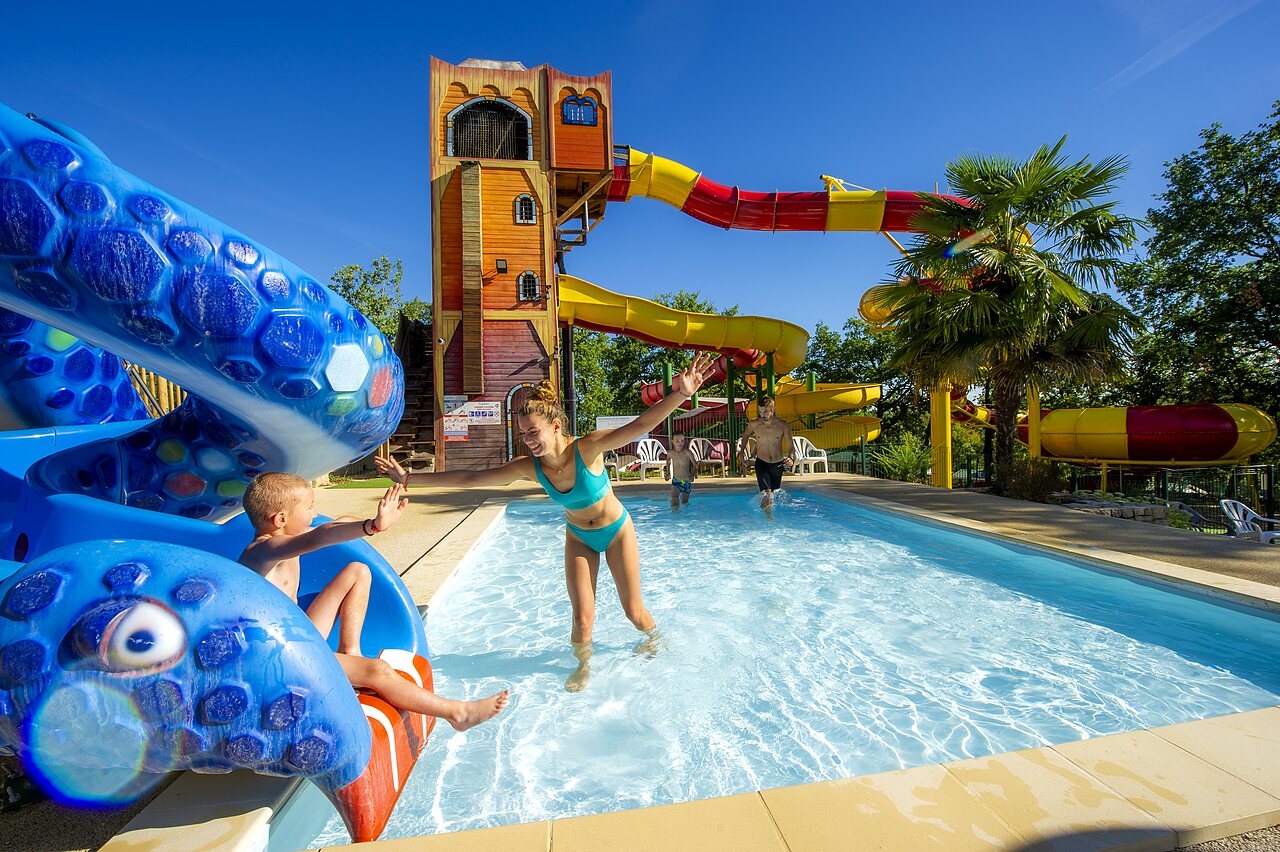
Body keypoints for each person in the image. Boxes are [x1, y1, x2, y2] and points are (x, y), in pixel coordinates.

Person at [376, 352, 718, 692]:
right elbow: (471, 477)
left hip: (616, 533)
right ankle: (583, 665)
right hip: (580, 537)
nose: (528, 440)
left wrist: (681, 393)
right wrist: (409, 479)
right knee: (582, 618)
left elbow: (639, 426)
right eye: (524, 434)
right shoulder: (531, 467)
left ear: (555, 427)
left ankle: (654, 638)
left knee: (633, 611)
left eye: (533, 432)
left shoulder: (587, 448)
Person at [238, 472, 508, 731]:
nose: (314, 513)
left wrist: (376, 522)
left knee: (358, 571)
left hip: (298, 634)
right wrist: (371, 527)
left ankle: (351, 651)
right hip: (281, 656)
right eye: (309, 507)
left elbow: (336, 524)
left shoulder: (286, 539)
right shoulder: (263, 550)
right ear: (281, 519)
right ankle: (457, 714)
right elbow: (322, 535)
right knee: (378, 671)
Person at [736, 396, 796, 516]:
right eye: (760, 411)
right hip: (762, 463)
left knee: (773, 495)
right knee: (767, 494)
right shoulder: (754, 424)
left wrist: (791, 458)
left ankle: (770, 516)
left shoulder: (783, 425)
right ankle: (768, 520)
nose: (762, 415)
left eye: (766, 411)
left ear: (773, 409)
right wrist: (741, 452)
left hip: (777, 465)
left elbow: (791, 447)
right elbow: (746, 435)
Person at [666, 432, 697, 510]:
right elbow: (668, 462)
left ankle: (686, 515)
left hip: (686, 481)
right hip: (675, 480)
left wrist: (692, 475)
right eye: (677, 441)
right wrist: (668, 473)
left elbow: (695, 465)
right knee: (674, 500)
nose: (680, 442)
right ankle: (675, 516)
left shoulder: (687, 452)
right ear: (672, 441)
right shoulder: (670, 453)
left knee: (684, 503)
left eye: (682, 440)